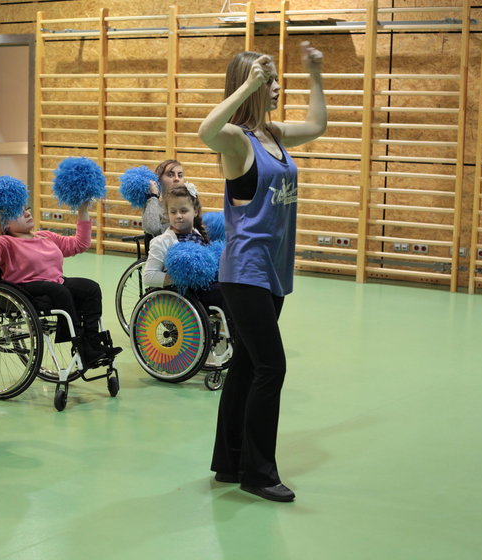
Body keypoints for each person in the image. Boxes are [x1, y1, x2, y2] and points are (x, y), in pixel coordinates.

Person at [198, 42, 327, 502]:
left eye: (273, 79)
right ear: (249, 86)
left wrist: (314, 73)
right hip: (244, 271)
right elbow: (205, 129)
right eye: (268, 81)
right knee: (271, 367)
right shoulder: (236, 141)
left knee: (247, 365)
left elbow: (316, 125)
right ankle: (258, 472)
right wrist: (249, 83)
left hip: (272, 271)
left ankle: (229, 462)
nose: (277, 86)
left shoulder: (272, 133)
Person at [0, 204, 121, 368]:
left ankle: (92, 342)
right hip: (25, 289)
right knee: (58, 290)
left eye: (27, 209)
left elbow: (79, 244)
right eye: (19, 213)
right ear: (6, 223)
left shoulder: (44, 236)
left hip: (56, 284)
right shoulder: (5, 242)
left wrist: (83, 211)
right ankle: (81, 347)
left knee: (90, 288)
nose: (27, 213)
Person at [142, 184, 228, 316]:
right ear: (167, 214)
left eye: (183, 211)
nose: (178, 216)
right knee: (227, 291)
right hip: (184, 299)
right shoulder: (161, 242)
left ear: (195, 211)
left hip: (204, 290)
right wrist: (181, 278)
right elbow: (148, 277)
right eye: (173, 212)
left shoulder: (198, 233)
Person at [142, 159, 187, 237]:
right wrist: (153, 196)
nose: (177, 179)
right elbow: (152, 229)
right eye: (170, 175)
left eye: (180, 175)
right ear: (158, 179)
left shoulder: (189, 201)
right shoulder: (153, 202)